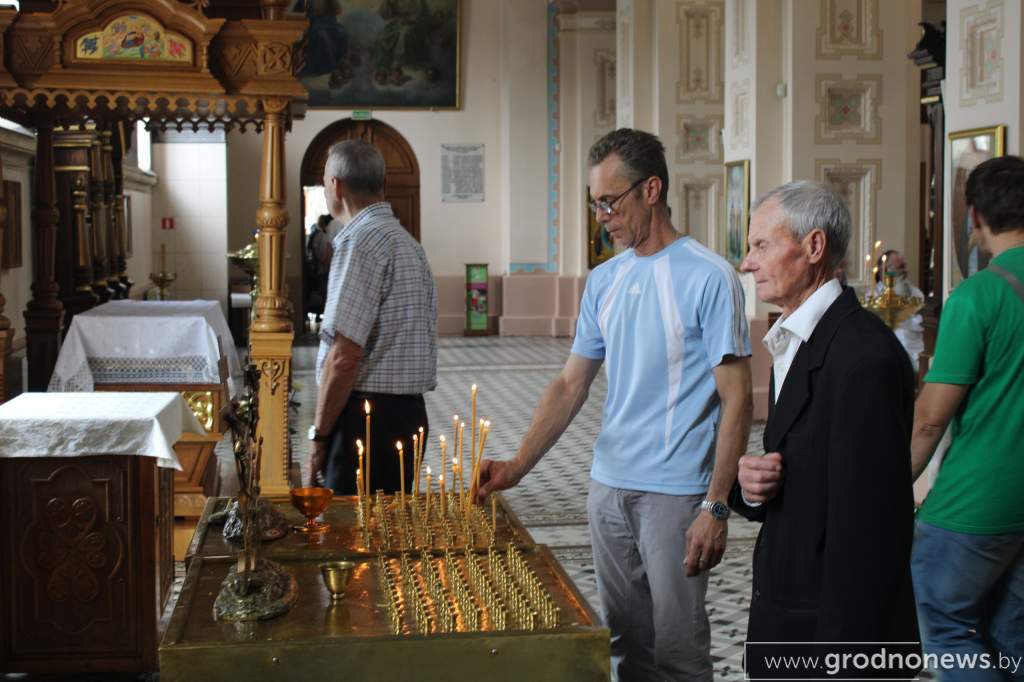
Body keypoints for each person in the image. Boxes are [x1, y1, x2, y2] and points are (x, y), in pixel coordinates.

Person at [477, 128, 753, 680]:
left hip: (675, 496)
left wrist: (716, 505)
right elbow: (569, 385)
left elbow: (738, 399)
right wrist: (516, 467)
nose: (601, 215)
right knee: (625, 645)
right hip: (607, 488)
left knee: (678, 653)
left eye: (609, 201)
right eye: (594, 202)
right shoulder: (604, 281)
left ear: (651, 190)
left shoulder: (709, 277)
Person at [731, 181, 919, 675]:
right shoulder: (797, 340)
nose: (747, 263)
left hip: (833, 642)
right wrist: (752, 488)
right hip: (791, 620)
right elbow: (801, 477)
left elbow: (870, 534)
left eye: (760, 246)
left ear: (813, 247)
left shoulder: (863, 357)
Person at [910, 155, 1024, 675]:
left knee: (948, 627)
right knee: (1012, 632)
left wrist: (893, 484)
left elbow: (932, 417)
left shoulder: (979, 295)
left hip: (978, 500)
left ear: (974, 215)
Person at [306, 139, 438, 497]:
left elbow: (344, 357)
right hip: (408, 416)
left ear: (335, 185)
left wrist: (319, 435)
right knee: (387, 540)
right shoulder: (406, 243)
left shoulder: (360, 241)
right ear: (383, 184)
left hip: (366, 420)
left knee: (350, 541)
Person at [874, 249, 925, 374]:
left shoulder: (915, 292)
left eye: (905, 266)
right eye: (901, 267)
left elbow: (923, 320)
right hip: (889, 350)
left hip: (917, 347)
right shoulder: (874, 298)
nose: (905, 271)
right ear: (885, 271)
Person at [305, 214, 333, 321]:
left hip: (322, 268)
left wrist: (321, 262)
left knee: (323, 292)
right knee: (324, 293)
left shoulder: (319, 236)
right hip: (324, 268)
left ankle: (321, 316)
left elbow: (315, 252)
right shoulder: (322, 236)